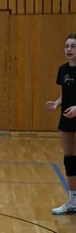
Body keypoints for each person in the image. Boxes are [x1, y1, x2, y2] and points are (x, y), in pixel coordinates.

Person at [45, 34, 76, 215]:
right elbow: (66, 93)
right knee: (69, 159)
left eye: (73, 46)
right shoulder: (63, 70)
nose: (69, 49)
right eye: (66, 46)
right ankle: (72, 202)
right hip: (66, 117)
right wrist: (57, 103)